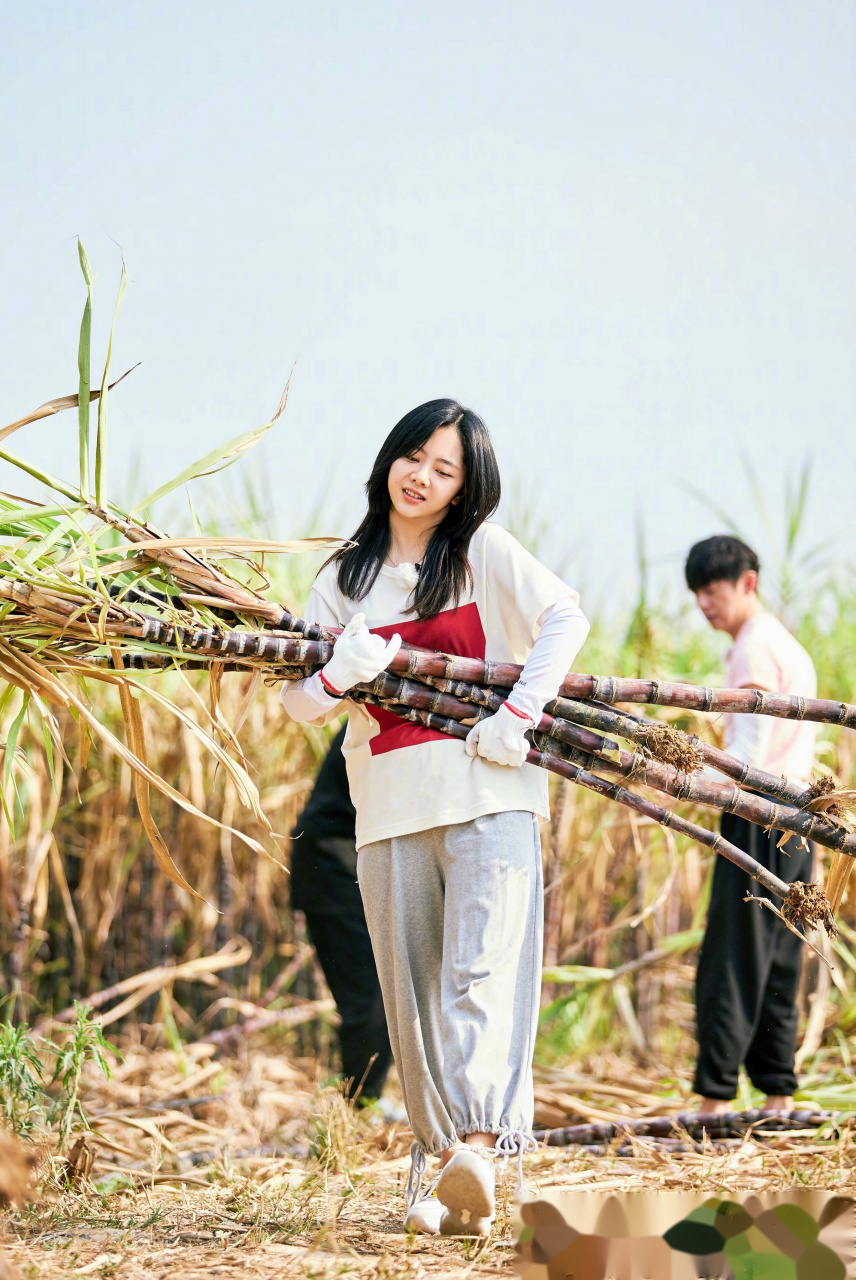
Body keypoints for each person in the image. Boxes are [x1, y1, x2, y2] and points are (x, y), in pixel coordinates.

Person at [283, 399, 589, 1237]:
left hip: (491, 797)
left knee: (481, 974)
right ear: (390, 458)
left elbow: (565, 616)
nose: (420, 476)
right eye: (412, 456)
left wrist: (519, 714)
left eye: (443, 468)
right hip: (388, 810)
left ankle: (483, 1150)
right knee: (412, 996)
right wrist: (341, 675)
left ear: (463, 488)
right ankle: (445, 1166)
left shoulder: (481, 554)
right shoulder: (343, 578)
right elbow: (298, 705)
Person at [685, 534, 817, 1115]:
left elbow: (751, 749)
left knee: (732, 955)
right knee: (780, 958)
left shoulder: (753, 649)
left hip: (757, 817)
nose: (704, 606)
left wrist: (709, 783)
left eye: (712, 591)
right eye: (697, 595)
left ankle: (714, 1100)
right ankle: (776, 1094)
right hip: (799, 821)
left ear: (747, 583)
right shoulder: (785, 644)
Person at [289, 723, 393, 1105]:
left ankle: (368, 1099)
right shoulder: (378, 718)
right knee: (370, 994)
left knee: (386, 992)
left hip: (344, 862)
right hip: (332, 865)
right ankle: (362, 1106)